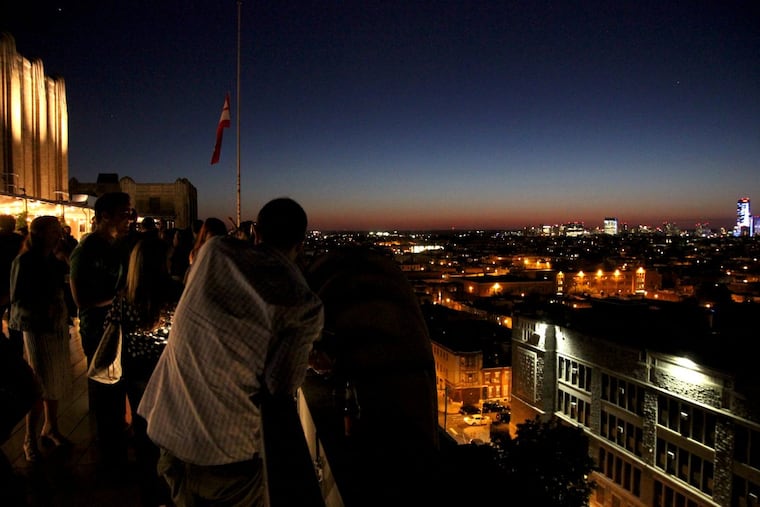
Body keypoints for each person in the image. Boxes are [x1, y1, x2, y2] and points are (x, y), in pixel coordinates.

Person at [138, 197, 324, 507]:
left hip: (168, 427)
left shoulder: (213, 253)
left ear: (257, 233)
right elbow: (281, 386)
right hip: (224, 454)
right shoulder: (303, 304)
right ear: (301, 242)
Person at [107, 236, 179, 506]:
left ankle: (150, 493)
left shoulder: (124, 296)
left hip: (136, 373)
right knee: (169, 435)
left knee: (144, 435)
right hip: (166, 372)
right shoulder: (175, 292)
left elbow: (113, 329)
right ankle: (171, 490)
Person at [69, 191, 134, 466]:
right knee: (103, 390)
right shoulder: (85, 251)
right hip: (98, 331)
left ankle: (116, 437)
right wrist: (119, 297)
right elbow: (80, 300)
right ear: (104, 217)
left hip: (117, 326)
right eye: (124, 214)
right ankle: (107, 452)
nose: (129, 219)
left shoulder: (119, 246)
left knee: (117, 387)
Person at [9, 216, 72, 462]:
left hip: (55, 325)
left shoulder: (52, 260)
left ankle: (51, 426)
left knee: (54, 381)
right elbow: (17, 299)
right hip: (36, 327)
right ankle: (29, 437)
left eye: (59, 231)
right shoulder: (24, 261)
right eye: (54, 232)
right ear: (39, 234)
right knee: (38, 382)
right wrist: (42, 308)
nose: (59, 235)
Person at [0, 214, 24, 355]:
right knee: (15, 325)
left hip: (1, 285)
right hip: (16, 285)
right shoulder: (20, 241)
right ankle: (16, 356)